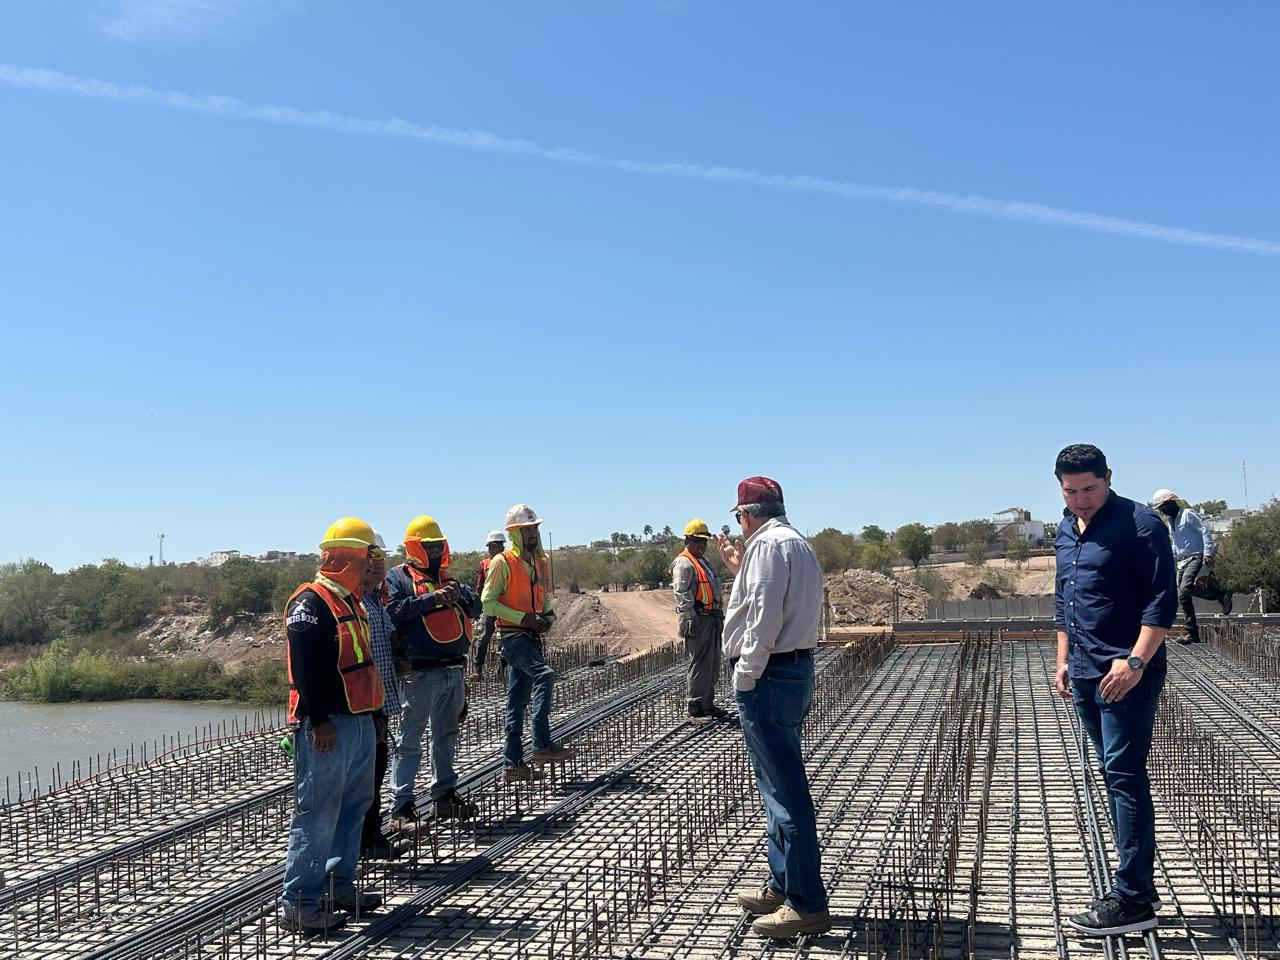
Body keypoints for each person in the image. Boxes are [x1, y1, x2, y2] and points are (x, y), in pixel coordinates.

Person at [1053, 445, 1176, 937]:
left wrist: (1135, 662)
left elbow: (1161, 602)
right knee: (1111, 772)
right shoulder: (1065, 529)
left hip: (1126, 671)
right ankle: (1134, 886)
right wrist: (1062, 658)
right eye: (1071, 490)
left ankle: (1134, 897)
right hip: (1083, 671)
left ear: (1108, 477)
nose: (1081, 500)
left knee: (1124, 775)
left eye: (1090, 488)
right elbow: (1065, 599)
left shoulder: (1141, 524)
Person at [714, 477, 830, 939]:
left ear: (746, 514)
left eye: (738, 517)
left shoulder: (766, 548)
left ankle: (807, 902)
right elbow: (774, 597)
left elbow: (764, 618)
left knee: (784, 793)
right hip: (793, 670)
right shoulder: (795, 543)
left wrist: (745, 673)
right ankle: (782, 884)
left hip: (768, 675)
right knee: (776, 786)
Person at [280, 518, 385, 934]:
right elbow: (305, 667)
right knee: (317, 814)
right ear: (349, 557)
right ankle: (299, 902)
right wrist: (319, 719)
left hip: (358, 722)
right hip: (329, 726)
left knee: (354, 807)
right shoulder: (312, 602)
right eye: (368, 557)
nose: (373, 565)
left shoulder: (352, 601)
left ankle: (338, 885)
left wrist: (372, 717)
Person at [385, 516, 482, 826]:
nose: (437, 550)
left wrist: (460, 594)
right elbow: (393, 612)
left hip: (453, 670)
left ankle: (444, 796)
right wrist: (431, 599)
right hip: (419, 673)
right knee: (409, 739)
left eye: (439, 545)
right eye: (430, 546)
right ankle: (401, 807)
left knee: (446, 735)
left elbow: (477, 608)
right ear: (416, 546)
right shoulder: (397, 578)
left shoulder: (447, 577)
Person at [479, 503, 576, 783]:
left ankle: (512, 765)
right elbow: (488, 603)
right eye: (527, 530)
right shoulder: (502, 562)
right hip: (512, 636)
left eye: (535, 528)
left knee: (516, 701)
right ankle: (542, 745)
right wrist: (524, 618)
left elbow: (543, 598)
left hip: (530, 636)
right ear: (515, 533)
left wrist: (547, 616)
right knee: (545, 676)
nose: (533, 534)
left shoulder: (539, 562)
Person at [359, 531, 399, 859]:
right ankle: (363, 843)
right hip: (362, 706)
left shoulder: (376, 599)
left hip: (380, 704)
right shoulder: (354, 601)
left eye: (381, 563)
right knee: (364, 778)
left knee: (378, 770)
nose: (377, 568)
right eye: (370, 563)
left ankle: (373, 837)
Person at [1149, 489, 1232, 644]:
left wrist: (1208, 553)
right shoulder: (1171, 521)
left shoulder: (1188, 514)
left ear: (1170, 503)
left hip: (1196, 556)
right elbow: (1176, 545)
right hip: (1182, 561)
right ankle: (1193, 630)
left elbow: (1205, 532)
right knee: (1182, 595)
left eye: (1162, 506)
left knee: (1184, 590)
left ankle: (1217, 598)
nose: (1161, 510)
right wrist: (1167, 560)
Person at [672, 518, 727, 724]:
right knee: (699, 664)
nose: (702, 545)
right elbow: (681, 592)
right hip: (697, 619)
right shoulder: (684, 563)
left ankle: (707, 704)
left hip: (711, 618)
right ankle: (694, 708)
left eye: (704, 541)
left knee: (712, 664)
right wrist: (690, 617)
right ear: (687, 540)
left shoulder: (703, 562)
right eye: (697, 541)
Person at [472, 530, 506, 676]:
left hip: (505, 606)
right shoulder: (484, 564)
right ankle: (477, 669)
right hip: (489, 606)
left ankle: (501, 670)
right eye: (495, 545)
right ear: (490, 546)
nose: (498, 548)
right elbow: (480, 587)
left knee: (505, 636)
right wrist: (477, 608)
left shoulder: (508, 561)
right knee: (485, 636)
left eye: (500, 545)